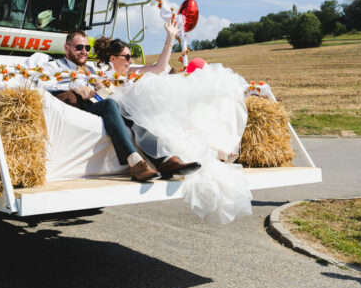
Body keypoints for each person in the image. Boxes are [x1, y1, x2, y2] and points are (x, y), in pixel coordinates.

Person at [93, 22, 253, 224]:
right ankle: (170, 160)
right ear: (112, 58)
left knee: (169, 122)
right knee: (149, 122)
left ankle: (188, 157)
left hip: (137, 110)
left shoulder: (130, 71)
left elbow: (159, 68)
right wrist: (103, 87)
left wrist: (170, 38)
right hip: (121, 110)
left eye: (130, 57)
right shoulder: (101, 75)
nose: (130, 60)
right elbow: (100, 95)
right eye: (126, 57)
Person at [38, 30, 200, 182]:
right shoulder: (53, 66)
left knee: (132, 110)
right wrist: (74, 88)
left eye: (87, 47)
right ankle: (134, 162)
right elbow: (40, 84)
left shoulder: (90, 70)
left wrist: (98, 85)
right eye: (79, 47)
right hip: (71, 104)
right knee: (112, 104)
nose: (84, 51)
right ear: (66, 48)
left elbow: (154, 69)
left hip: (94, 104)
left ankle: (164, 160)